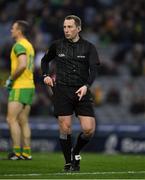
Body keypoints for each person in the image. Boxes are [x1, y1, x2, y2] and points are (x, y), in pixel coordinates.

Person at [41, 15, 100, 171]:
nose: (66, 30)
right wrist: (45, 75)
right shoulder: (57, 45)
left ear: (78, 28)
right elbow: (44, 60)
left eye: (70, 27)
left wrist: (87, 85)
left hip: (82, 90)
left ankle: (76, 152)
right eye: (65, 27)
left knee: (88, 130)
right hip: (62, 90)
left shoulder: (89, 47)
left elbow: (94, 69)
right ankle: (68, 163)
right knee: (65, 127)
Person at [5, 20, 35, 160]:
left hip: (20, 85)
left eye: (13, 28)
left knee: (11, 119)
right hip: (29, 86)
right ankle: (27, 152)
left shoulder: (19, 45)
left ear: (19, 31)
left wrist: (11, 79)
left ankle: (16, 152)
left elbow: (22, 65)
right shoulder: (29, 45)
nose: (11, 30)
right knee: (23, 120)